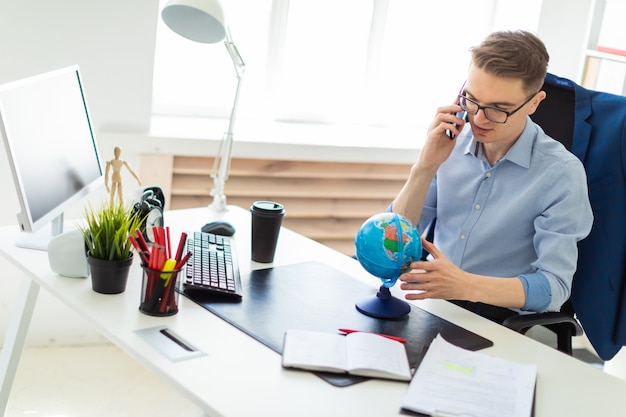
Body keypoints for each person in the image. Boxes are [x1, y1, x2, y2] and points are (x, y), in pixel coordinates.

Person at [392, 30, 593, 319]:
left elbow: (554, 287)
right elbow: (394, 238)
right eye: (471, 100)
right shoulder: (449, 143)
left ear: (535, 103)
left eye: (499, 109)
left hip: (499, 320)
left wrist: (463, 285)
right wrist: (424, 166)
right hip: (430, 306)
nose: (479, 118)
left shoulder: (561, 174)